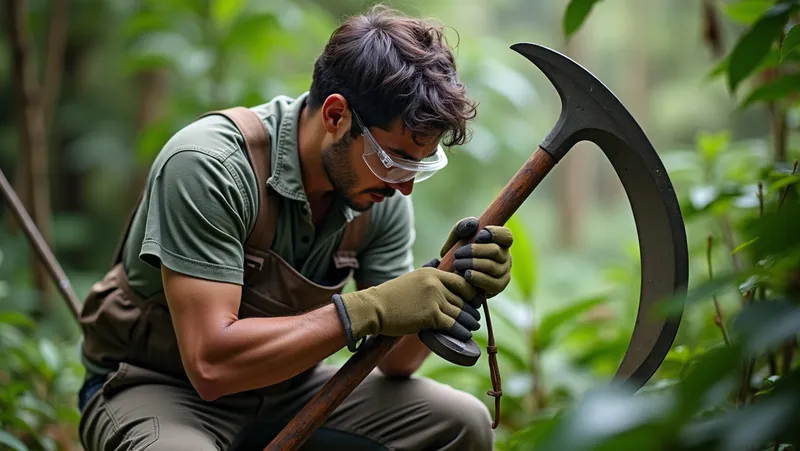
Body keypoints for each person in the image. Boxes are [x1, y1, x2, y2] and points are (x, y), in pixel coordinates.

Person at [76, 5, 514, 451]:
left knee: (461, 422)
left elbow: (397, 362)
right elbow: (210, 367)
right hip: (160, 388)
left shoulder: (375, 193)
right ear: (335, 116)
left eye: (418, 168)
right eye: (393, 160)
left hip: (290, 389)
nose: (404, 188)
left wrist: (450, 285)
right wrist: (367, 309)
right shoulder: (210, 167)